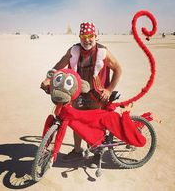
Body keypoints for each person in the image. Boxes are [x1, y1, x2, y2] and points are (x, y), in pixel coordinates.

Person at [41, 22, 122, 165]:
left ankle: (97, 153)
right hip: (77, 93)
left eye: (90, 36)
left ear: (96, 36)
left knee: (95, 125)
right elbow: (58, 66)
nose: (87, 40)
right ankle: (77, 152)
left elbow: (118, 69)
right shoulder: (74, 50)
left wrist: (109, 90)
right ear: (79, 37)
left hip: (97, 96)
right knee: (76, 122)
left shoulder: (103, 52)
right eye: (84, 36)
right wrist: (48, 79)